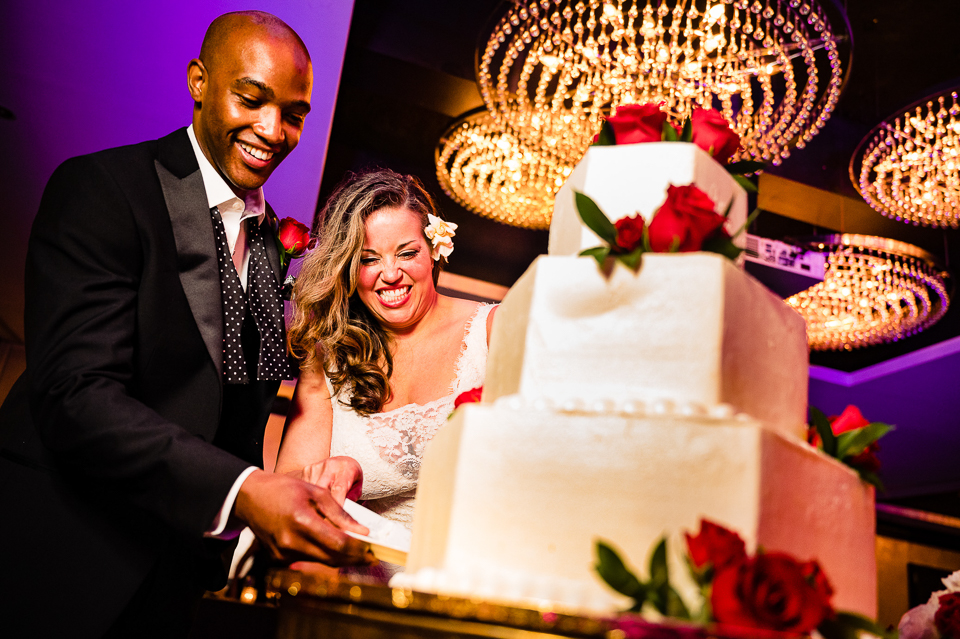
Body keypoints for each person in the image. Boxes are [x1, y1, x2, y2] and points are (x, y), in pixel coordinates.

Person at [0, 11, 373, 638]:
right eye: (251, 99)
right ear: (199, 81)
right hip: (57, 557)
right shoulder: (104, 187)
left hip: (169, 586)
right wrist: (245, 491)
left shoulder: (271, 242)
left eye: (294, 114)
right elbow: (74, 395)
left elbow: (234, 425)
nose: (273, 130)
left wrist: (259, 535)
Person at [276, 170, 496, 576]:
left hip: (470, 580)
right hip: (355, 585)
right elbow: (288, 490)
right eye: (368, 259)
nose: (390, 274)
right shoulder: (328, 357)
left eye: (407, 253)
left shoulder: (493, 332)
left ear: (434, 249)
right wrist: (339, 472)